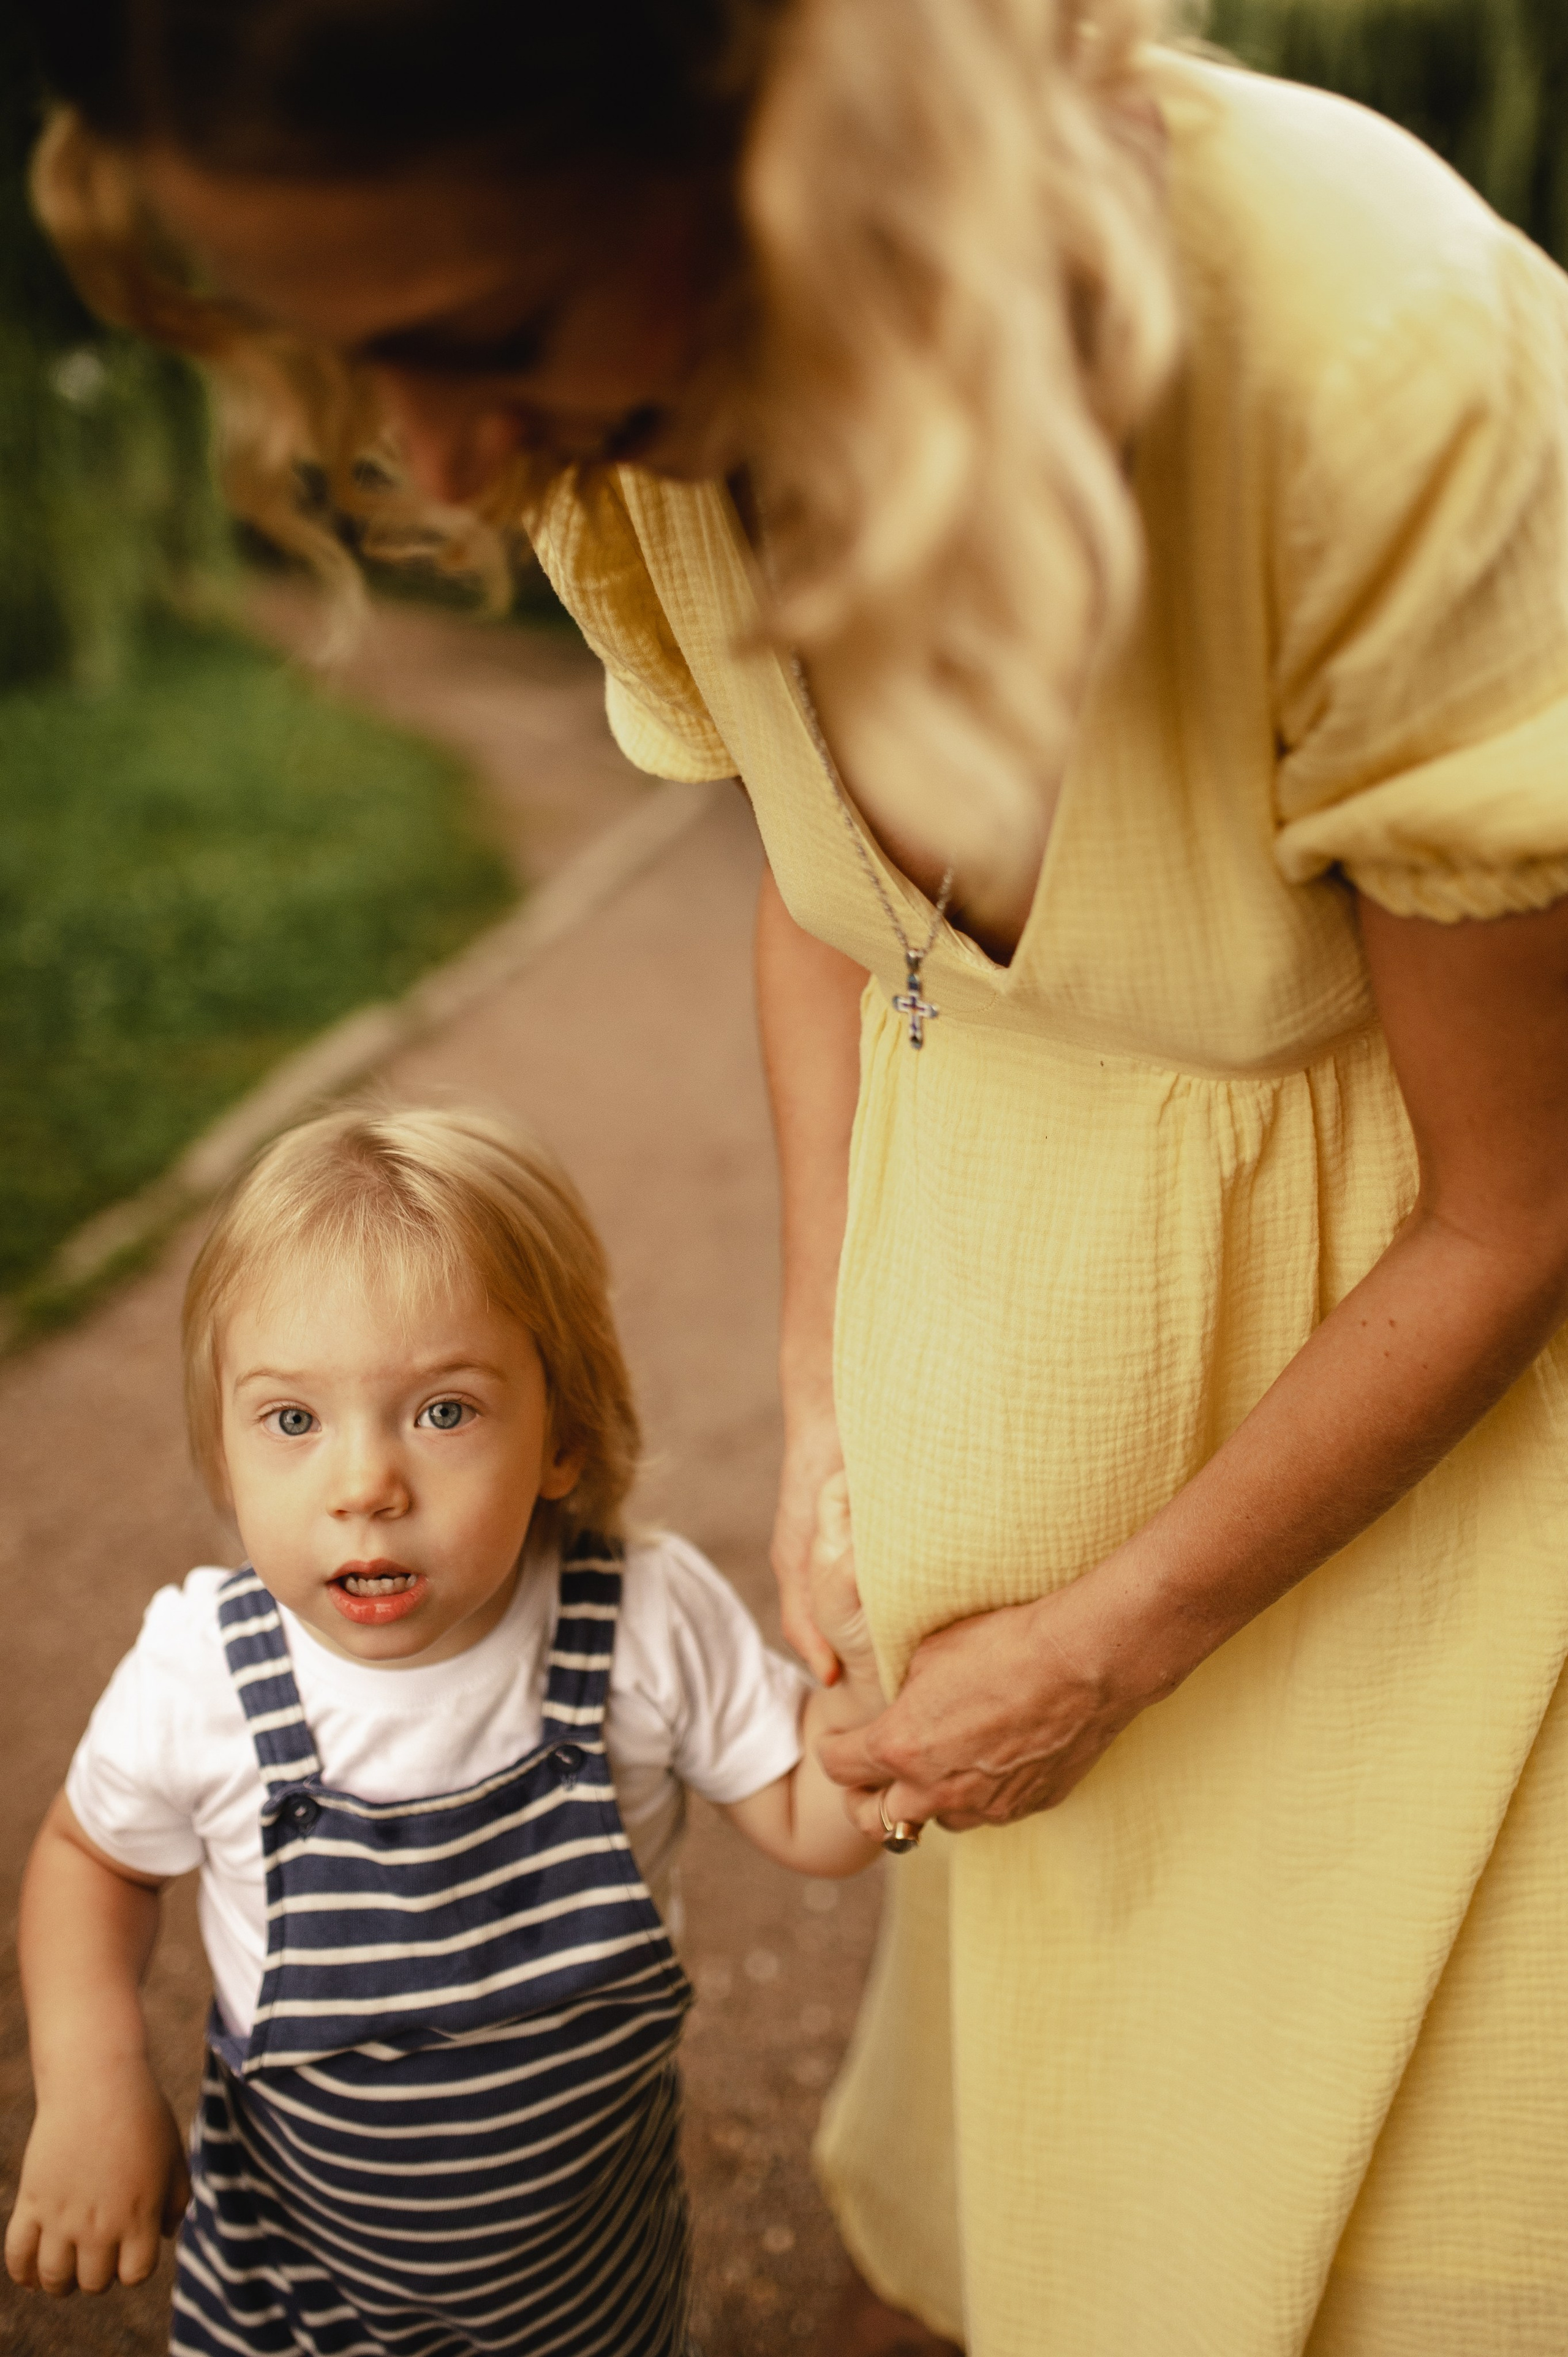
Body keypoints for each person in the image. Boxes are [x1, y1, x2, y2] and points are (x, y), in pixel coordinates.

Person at [16, 2, 1568, 2351]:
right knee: (1089, 2208)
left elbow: (1516, 1202)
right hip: (1051, 1571)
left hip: (1418, 1542)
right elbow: (834, 894)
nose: (445, 455)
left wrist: (1110, 1636)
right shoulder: (637, 421)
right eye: (355, 353)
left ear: (785, 149)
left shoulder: (1372, 388)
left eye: (491, 330)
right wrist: (835, 1398)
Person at [1, 1104, 886, 2353]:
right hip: (300, 2302)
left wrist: (865, 1669)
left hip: (590, 2296)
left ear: (564, 1434)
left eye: (444, 1412)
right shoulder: (207, 1673)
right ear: (224, 1442)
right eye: (293, 1421)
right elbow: (91, 1858)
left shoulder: (639, 1619)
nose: (364, 1485)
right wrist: (91, 2077)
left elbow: (814, 1818)